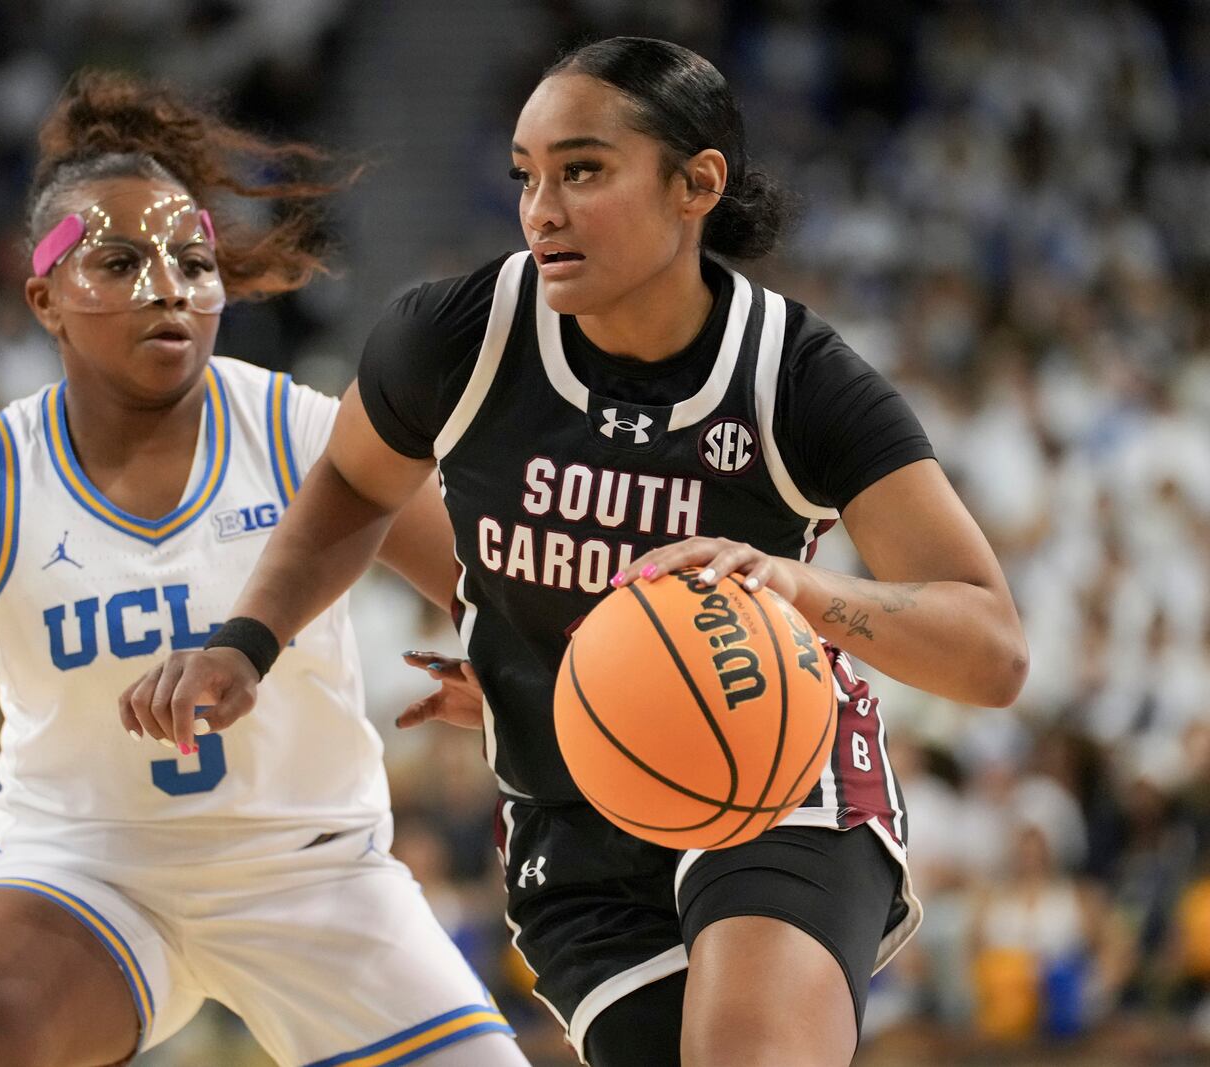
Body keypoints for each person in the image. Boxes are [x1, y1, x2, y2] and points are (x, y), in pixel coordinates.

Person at [124, 37, 1029, 1067]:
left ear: (697, 185)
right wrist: (246, 642)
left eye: (582, 170)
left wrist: (796, 587)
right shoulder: (456, 337)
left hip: (778, 773)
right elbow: (351, 486)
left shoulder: (798, 377)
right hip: (573, 815)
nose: (540, 208)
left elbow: (992, 647)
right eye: (527, 174)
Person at [0, 73, 524, 1067]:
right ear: (43, 295)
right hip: (89, 876)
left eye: (192, 262)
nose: (166, 286)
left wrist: (517, 672)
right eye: (118, 261)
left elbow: (499, 590)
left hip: (315, 873)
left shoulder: (298, 426)